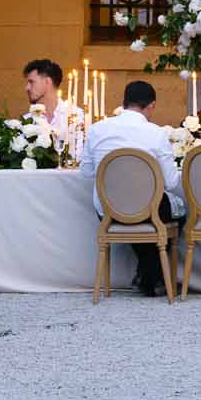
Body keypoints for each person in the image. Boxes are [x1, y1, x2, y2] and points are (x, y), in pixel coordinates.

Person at [77, 78, 183, 297]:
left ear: (123, 102)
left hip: (108, 210)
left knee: (146, 210)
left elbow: (86, 172)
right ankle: (153, 275)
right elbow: (171, 182)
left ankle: (148, 275)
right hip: (148, 211)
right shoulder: (156, 133)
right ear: (151, 106)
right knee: (178, 212)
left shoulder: (97, 129)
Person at [24, 58, 86, 145]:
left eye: (31, 82)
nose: (27, 88)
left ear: (47, 81)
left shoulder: (76, 116)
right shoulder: (26, 121)